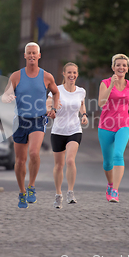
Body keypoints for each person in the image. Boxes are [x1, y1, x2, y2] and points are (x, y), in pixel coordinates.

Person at [2, 42, 60, 209]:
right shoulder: (16, 76)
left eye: (35, 53)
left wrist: (54, 108)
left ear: (39, 55)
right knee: (20, 161)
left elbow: (56, 92)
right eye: (29, 53)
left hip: (38, 119)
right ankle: (21, 192)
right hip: (20, 120)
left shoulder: (47, 77)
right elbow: (6, 95)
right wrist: (7, 98)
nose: (32, 56)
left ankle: (31, 187)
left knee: (34, 153)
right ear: (25, 56)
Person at [98, 54, 129, 203]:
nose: (121, 67)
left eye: (124, 65)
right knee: (107, 162)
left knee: (118, 155)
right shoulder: (105, 83)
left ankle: (115, 191)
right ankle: (110, 184)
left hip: (123, 125)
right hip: (106, 125)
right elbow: (101, 103)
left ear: (127, 68)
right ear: (113, 67)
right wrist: (112, 85)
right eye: (118, 65)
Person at [46, 62, 88, 209]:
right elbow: (48, 103)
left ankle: (70, 192)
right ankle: (58, 195)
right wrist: (51, 110)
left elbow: (81, 104)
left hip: (74, 130)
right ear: (63, 74)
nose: (72, 75)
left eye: (74, 73)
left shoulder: (81, 91)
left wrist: (84, 115)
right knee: (59, 165)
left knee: (70, 160)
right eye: (69, 73)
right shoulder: (56, 90)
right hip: (58, 131)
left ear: (77, 74)